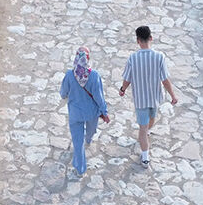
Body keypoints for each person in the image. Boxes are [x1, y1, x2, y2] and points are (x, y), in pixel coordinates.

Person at [118, 25, 177, 167]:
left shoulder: (133, 58)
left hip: (140, 100)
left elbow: (128, 78)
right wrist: (173, 96)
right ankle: (145, 152)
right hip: (154, 98)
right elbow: (165, 80)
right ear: (151, 38)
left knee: (144, 127)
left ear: (138, 40)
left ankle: (144, 150)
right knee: (150, 121)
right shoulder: (159, 57)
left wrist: (123, 89)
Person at [59, 46, 110, 175]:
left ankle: (80, 168)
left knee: (77, 141)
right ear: (88, 59)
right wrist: (104, 112)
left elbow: (63, 93)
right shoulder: (94, 76)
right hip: (91, 113)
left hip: (75, 114)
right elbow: (99, 96)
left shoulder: (70, 75)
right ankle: (89, 138)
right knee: (91, 130)